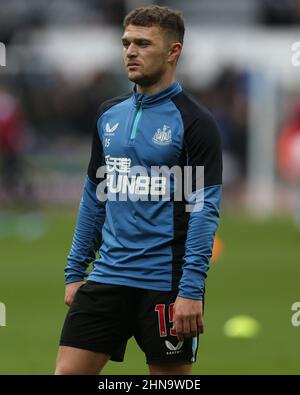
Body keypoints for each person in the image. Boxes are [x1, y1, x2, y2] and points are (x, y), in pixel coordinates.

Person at [55, 5, 222, 375]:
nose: (130, 51)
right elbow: (94, 196)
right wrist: (74, 271)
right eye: (126, 42)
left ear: (173, 51)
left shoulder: (194, 122)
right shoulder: (108, 115)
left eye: (143, 43)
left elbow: (203, 208)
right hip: (106, 278)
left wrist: (191, 290)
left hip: (165, 286)